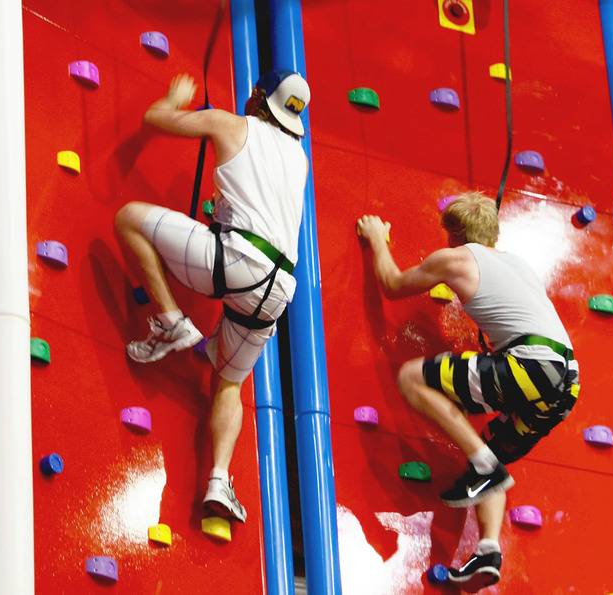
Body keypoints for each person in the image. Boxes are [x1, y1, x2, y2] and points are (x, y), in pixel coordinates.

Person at [356, 192, 580, 592]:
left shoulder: (456, 259)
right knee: (489, 448)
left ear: (453, 235)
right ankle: (490, 549)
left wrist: (377, 238)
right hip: (565, 382)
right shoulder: (519, 266)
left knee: (411, 377)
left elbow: (391, 285)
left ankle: (483, 467)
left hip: (531, 365)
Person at [114, 70, 310, 524]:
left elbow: (155, 119)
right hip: (277, 292)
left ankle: (170, 320)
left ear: (259, 96)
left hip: (234, 261)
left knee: (128, 219)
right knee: (228, 382)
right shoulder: (299, 159)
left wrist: (173, 96)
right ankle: (219, 480)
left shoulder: (230, 124)